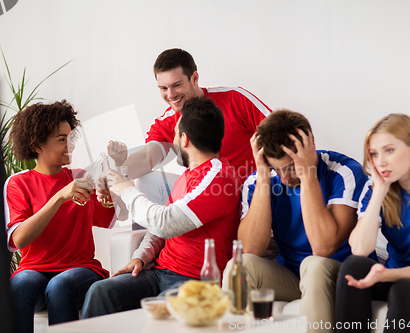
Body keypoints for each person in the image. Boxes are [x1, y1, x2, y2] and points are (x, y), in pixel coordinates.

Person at [81, 97, 241, 318]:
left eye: (175, 134)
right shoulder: (188, 175)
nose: (173, 140)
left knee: (155, 314)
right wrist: (140, 257)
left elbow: (165, 223)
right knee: (101, 291)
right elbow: (158, 229)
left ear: (184, 139)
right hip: (160, 272)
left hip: (195, 281)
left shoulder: (218, 177)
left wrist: (126, 190)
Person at [226, 110, 369, 333]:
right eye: (276, 168)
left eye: (290, 167)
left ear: (311, 146)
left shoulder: (344, 172)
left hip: (338, 276)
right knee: (240, 266)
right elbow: (251, 249)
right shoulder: (260, 180)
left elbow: (323, 248)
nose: (284, 178)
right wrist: (264, 175)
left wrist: (307, 175)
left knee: (313, 265)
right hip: (292, 277)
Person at [4, 100, 121, 333]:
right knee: (19, 284)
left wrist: (109, 198)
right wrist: (59, 197)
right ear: (37, 144)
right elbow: (18, 240)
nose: (71, 145)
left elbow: (107, 218)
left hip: (81, 269)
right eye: (62, 139)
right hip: (34, 269)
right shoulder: (18, 183)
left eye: (72, 138)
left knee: (60, 284)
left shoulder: (81, 177)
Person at [107, 48, 272, 206]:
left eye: (176, 85)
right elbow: (145, 159)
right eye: (164, 88)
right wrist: (110, 179)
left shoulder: (234, 99)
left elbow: (280, 133)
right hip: (205, 192)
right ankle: (152, 234)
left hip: (248, 190)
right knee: (146, 181)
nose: (171, 95)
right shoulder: (165, 123)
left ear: (194, 78)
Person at [335, 114, 410, 333]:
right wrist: (380, 192)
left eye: (389, 150)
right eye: (374, 154)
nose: (380, 162)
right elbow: (360, 249)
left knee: (404, 289)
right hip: (394, 273)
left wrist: (387, 274)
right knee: (353, 266)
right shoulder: (375, 190)